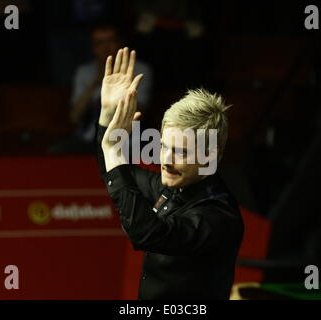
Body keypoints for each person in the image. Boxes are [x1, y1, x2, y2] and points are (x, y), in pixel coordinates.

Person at [95, 47, 244, 299]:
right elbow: (113, 168)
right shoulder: (173, 184)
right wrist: (107, 117)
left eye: (181, 152)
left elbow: (146, 233)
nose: (165, 160)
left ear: (211, 155)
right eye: (163, 146)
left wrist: (113, 149)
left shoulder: (219, 217)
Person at [52, 21, 152, 153]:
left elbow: (140, 113)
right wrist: (96, 81)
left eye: (110, 41)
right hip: (88, 140)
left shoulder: (140, 70)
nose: (106, 48)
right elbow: (74, 117)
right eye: (100, 43)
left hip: (127, 140)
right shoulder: (84, 72)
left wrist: (122, 90)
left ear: (120, 42)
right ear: (93, 48)